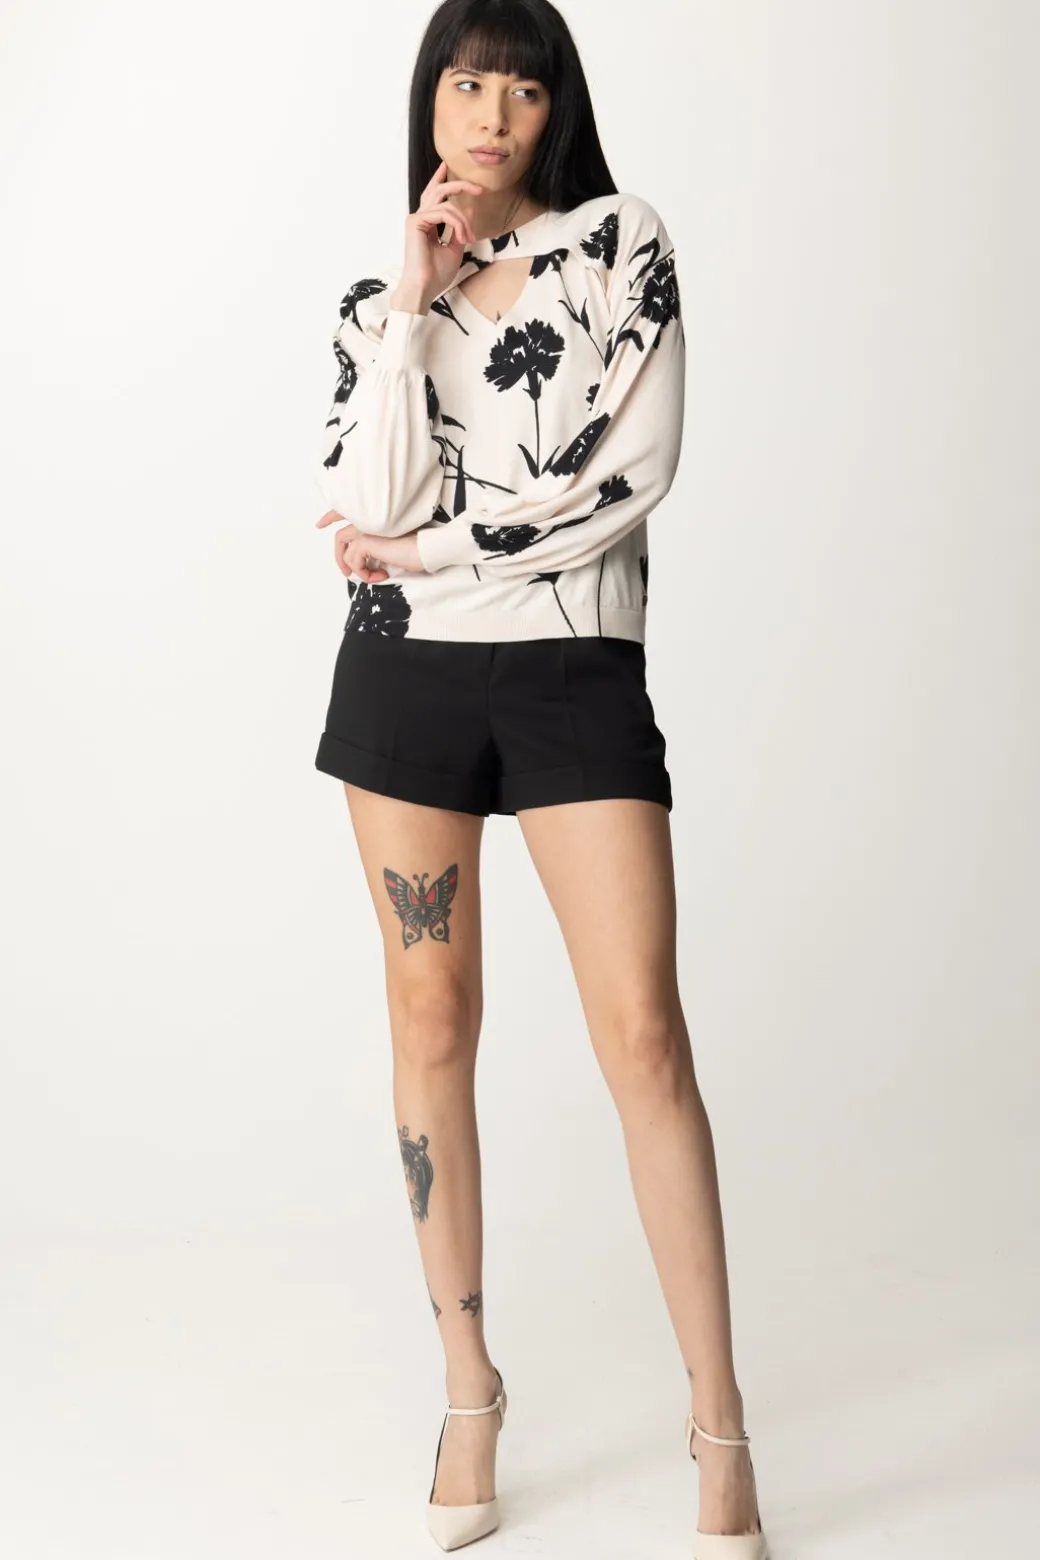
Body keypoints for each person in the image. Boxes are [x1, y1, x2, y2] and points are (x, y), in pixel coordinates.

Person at [312, 2, 769, 1555]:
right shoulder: (380, 298)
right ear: (431, 101)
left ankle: (721, 1423)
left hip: (575, 669)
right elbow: (360, 496)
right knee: (430, 1018)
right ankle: (469, 1391)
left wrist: (432, 550)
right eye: (467, 82)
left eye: (521, 86)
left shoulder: (618, 246)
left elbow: (625, 480)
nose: (492, 113)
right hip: (406, 680)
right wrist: (409, 305)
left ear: (554, 106)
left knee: (643, 1034)